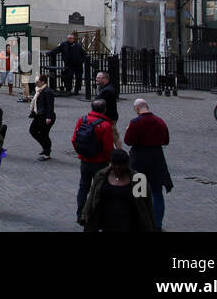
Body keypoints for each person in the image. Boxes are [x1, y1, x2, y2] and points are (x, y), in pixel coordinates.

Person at [124, 98, 173, 229]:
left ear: (137, 108)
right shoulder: (160, 121)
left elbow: (128, 141)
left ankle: (140, 220)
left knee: (139, 191)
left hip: (139, 159)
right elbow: (166, 140)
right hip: (156, 159)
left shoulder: (135, 122)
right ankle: (157, 223)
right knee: (157, 192)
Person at [82, 149, 157, 232]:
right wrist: (85, 214)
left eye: (121, 164)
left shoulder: (138, 180)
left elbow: (147, 205)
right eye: (114, 164)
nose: (117, 167)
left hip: (129, 224)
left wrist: (151, 227)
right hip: (107, 222)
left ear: (127, 164)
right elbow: (92, 195)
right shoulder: (101, 176)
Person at [73, 98, 114, 225]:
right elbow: (108, 147)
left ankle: (80, 214)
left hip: (85, 160)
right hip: (100, 162)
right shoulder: (106, 125)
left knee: (83, 187)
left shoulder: (83, 120)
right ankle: (96, 216)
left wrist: (80, 153)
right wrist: (109, 160)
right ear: (104, 109)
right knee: (99, 189)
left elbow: (74, 139)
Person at [29, 74, 56, 160]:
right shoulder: (39, 90)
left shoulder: (47, 92)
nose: (36, 83)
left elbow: (50, 106)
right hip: (39, 115)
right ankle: (46, 148)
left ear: (43, 82)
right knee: (33, 130)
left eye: (38, 82)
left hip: (45, 116)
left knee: (44, 134)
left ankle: (47, 153)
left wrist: (48, 117)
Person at [95, 70, 122, 148]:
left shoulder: (107, 91)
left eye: (99, 78)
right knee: (113, 135)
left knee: (114, 136)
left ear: (105, 79)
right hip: (109, 117)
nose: (96, 79)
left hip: (109, 117)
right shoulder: (105, 88)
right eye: (97, 77)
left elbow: (101, 104)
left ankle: (118, 153)